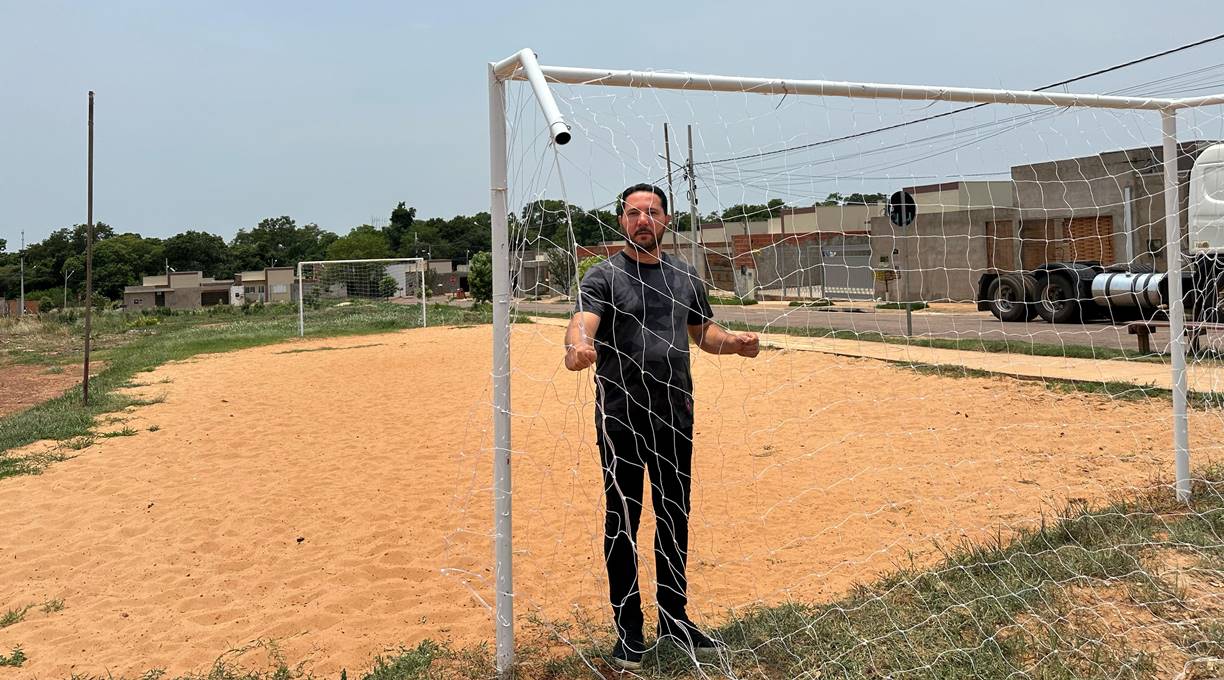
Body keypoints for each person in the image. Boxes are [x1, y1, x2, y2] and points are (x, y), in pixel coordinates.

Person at [564, 183, 760, 670]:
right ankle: (629, 630)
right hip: (621, 419)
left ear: (667, 219)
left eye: (651, 211)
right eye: (633, 212)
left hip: (676, 415)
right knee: (623, 521)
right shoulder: (604, 276)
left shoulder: (685, 276)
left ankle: (675, 617)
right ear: (622, 221)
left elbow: (701, 333)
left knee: (675, 516)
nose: (642, 219)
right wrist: (577, 345)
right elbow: (582, 321)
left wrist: (733, 342)